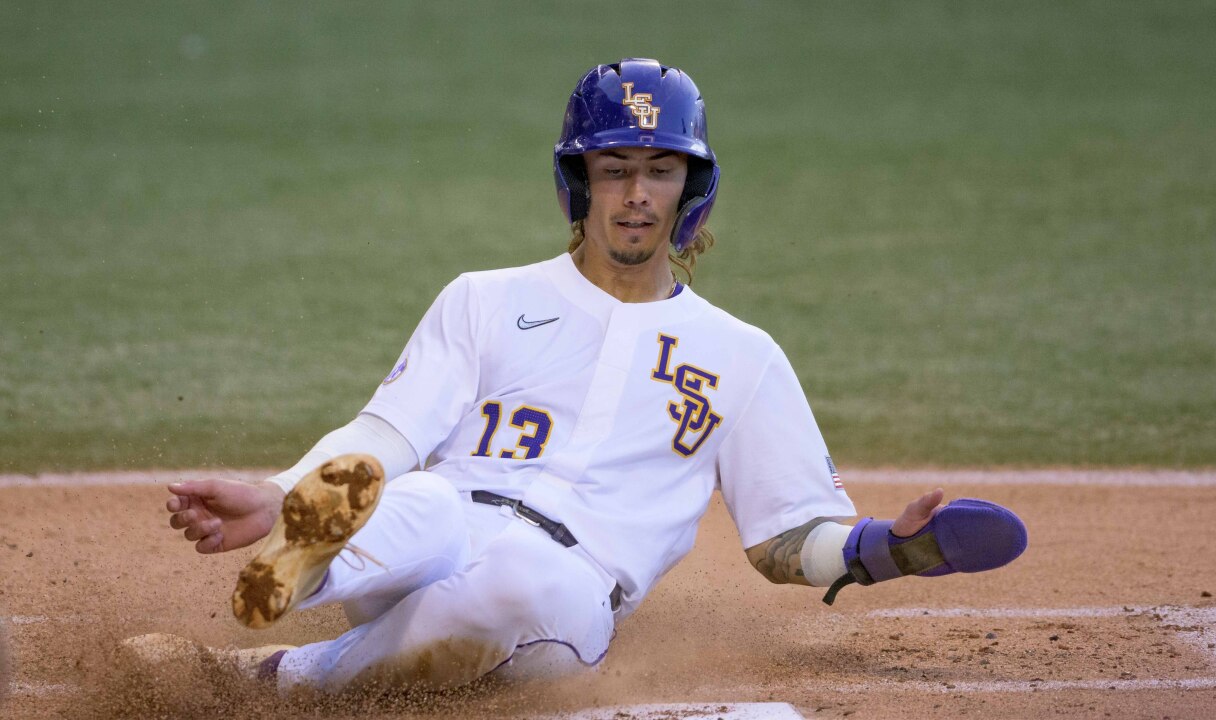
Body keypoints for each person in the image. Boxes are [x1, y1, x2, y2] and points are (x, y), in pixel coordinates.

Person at [147, 58, 1026, 692]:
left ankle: (274, 679)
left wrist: (894, 550)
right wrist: (279, 489)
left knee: (515, 588)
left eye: (658, 170)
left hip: (567, 591)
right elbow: (385, 435)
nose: (637, 193)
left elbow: (786, 540)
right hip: (446, 525)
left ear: (691, 187)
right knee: (409, 499)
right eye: (614, 171)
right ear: (581, 183)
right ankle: (306, 557)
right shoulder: (485, 298)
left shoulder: (742, 356)